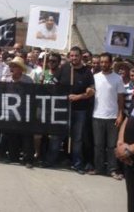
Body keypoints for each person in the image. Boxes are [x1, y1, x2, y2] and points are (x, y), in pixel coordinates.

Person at [53, 46, 95, 174]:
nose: (74, 58)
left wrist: (79, 96)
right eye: (71, 56)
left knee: (77, 138)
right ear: (69, 56)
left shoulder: (87, 72)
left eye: (76, 56)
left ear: (81, 56)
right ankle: (50, 159)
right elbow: (53, 85)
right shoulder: (63, 69)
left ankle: (77, 164)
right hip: (63, 109)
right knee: (57, 135)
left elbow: (91, 91)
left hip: (80, 110)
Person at [91, 52, 125, 180]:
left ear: (111, 63)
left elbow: (121, 98)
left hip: (112, 117)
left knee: (112, 146)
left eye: (106, 62)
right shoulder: (95, 77)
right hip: (97, 115)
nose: (104, 64)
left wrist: (120, 115)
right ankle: (98, 168)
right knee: (98, 145)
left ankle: (112, 170)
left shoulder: (117, 78)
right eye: (102, 62)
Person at [116, 98, 134, 212]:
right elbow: (126, 120)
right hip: (131, 165)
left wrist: (129, 150)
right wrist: (121, 143)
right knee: (133, 204)